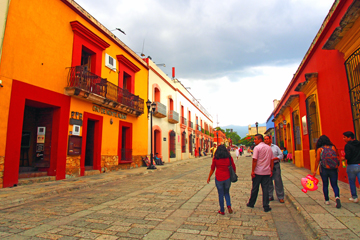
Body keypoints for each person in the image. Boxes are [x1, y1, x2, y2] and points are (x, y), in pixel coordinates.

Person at [247, 134, 274, 212]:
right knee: (265, 189)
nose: (254, 140)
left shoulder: (257, 148)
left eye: (255, 139)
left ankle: (251, 203)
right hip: (266, 172)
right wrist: (271, 170)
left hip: (258, 172)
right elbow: (272, 160)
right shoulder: (269, 148)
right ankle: (266, 205)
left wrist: (253, 171)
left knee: (255, 188)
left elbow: (254, 159)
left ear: (260, 140)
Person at [207, 144, 236, 215]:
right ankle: (229, 205)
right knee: (227, 192)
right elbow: (233, 166)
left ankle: (222, 210)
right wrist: (234, 173)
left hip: (219, 177)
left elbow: (212, 168)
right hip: (227, 177)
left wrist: (209, 177)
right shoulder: (229, 158)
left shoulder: (215, 158)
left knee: (220, 194)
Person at [313, 135, 341, 208]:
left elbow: (317, 161)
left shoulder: (320, 149)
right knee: (335, 184)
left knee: (325, 184)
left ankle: (327, 200)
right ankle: (337, 197)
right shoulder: (333, 147)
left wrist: (314, 171)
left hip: (324, 169)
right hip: (333, 169)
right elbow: (337, 157)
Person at [264, 135, 285, 203]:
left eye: (267, 139)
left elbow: (281, 155)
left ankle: (280, 196)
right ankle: (270, 196)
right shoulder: (263, 148)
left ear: (270, 140)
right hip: (267, 165)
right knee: (268, 181)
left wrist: (274, 159)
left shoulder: (275, 147)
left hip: (276, 165)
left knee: (278, 180)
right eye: (265, 139)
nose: (266, 140)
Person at [343, 131, 360, 203]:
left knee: (352, 182)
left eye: (345, 137)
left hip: (351, 165)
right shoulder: (359, 144)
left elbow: (348, 156)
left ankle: (354, 197)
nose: (343, 139)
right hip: (359, 164)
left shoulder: (348, 145)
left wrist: (344, 157)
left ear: (349, 138)